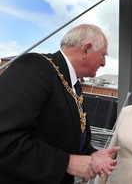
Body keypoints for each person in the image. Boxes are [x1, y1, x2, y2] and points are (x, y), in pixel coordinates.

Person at [0, 24, 120, 184]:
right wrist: (68, 163)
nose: (104, 62)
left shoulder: (71, 85)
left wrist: (90, 156)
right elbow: (6, 140)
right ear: (85, 50)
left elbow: (60, 137)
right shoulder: (35, 66)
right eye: (102, 55)